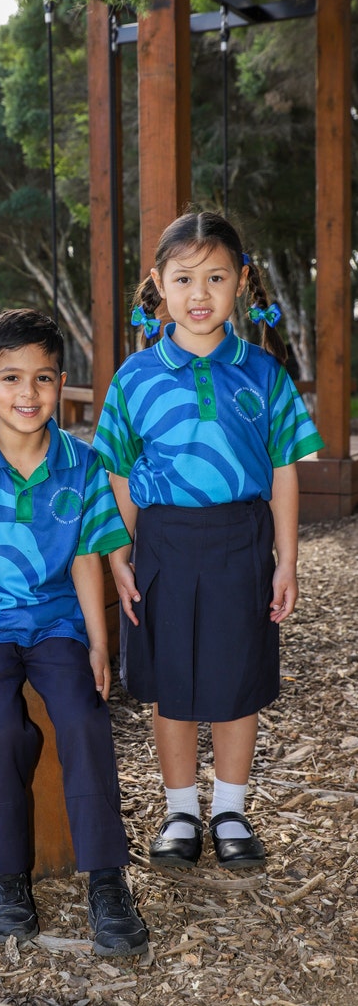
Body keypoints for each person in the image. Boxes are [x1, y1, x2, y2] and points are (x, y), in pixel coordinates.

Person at [94, 211, 324, 872]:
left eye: (216, 278)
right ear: (159, 282)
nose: (200, 294)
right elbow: (119, 474)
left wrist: (287, 561)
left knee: (235, 678)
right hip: (163, 544)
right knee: (171, 683)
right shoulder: (135, 377)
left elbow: (283, 471)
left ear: (242, 282)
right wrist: (119, 557)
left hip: (242, 540)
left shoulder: (264, 373)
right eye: (184, 278)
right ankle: (180, 812)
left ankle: (229, 809)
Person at [0, 308, 148, 956]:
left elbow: (86, 560)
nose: (28, 392)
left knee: (83, 718)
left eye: (43, 377)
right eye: (10, 377)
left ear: (61, 383)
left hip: (57, 624)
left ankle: (107, 878)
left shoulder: (83, 464)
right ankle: (8, 875)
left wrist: (98, 644)